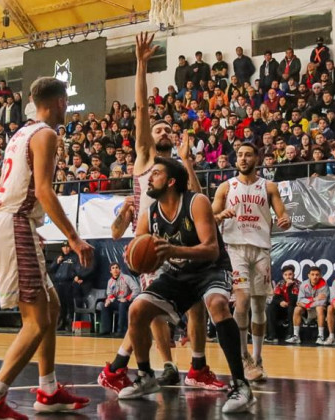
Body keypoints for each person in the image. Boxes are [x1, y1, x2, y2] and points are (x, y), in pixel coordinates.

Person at [103, 32, 223, 394]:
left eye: (168, 127)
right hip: (152, 241)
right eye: (158, 128)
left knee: (198, 302)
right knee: (150, 309)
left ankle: (195, 366)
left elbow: (199, 202)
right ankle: (164, 364)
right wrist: (141, 64)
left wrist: (187, 162)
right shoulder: (145, 158)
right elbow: (141, 109)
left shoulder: (177, 172)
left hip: (181, 236)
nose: (163, 130)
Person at [0, 76, 94, 420]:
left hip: (12, 222)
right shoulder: (47, 134)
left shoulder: (21, 133)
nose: (66, 109)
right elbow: (43, 190)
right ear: (59, 103)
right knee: (36, 321)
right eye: (66, 104)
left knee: (51, 306)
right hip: (14, 223)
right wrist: (72, 236)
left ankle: (49, 388)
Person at [116, 157, 253, 413]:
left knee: (218, 305)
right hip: (178, 272)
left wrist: (173, 250)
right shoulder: (149, 214)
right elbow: (139, 260)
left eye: (155, 173)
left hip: (210, 270)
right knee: (137, 309)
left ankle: (241, 385)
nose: (149, 178)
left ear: (170, 182)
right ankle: (145, 376)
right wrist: (133, 258)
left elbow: (212, 250)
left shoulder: (196, 202)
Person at [212, 143, 290, 382]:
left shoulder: (269, 186)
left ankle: (257, 358)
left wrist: (285, 220)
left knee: (258, 306)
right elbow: (211, 218)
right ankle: (243, 356)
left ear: (257, 158)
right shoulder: (226, 187)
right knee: (242, 300)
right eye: (240, 156)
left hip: (261, 250)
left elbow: (283, 216)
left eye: (248, 154)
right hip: (235, 248)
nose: (243, 159)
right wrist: (220, 215)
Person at [285, 266, 329, 345]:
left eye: (317, 275)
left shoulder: (324, 285)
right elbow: (299, 300)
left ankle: (321, 336)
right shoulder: (304, 284)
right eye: (312, 274)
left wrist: (308, 303)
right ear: (308, 275)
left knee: (319, 308)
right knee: (297, 309)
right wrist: (314, 299)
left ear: (320, 276)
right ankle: (296, 336)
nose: (315, 277)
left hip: (318, 310)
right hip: (306, 309)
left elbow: (323, 302)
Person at [99, 262, 140, 337]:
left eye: (117, 267)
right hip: (118, 301)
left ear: (120, 270)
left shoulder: (126, 278)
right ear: (110, 271)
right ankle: (105, 330)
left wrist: (127, 298)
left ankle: (121, 330)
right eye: (113, 268)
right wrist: (109, 300)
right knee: (105, 305)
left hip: (129, 301)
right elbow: (109, 294)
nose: (115, 270)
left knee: (122, 305)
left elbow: (136, 289)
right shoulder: (110, 281)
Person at [47, 241, 80, 331]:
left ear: (70, 248)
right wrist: (57, 262)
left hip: (68, 283)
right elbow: (51, 269)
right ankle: (61, 323)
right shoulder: (59, 257)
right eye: (64, 247)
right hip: (58, 283)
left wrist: (75, 276)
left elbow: (78, 269)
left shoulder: (74, 257)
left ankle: (70, 324)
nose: (65, 249)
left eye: (67, 247)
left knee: (69, 304)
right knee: (60, 304)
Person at [265, 265, 300, 342]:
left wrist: (288, 287)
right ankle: (272, 335)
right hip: (282, 307)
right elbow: (275, 297)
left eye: (290, 274)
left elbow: (294, 299)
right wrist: (280, 302)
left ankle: (290, 334)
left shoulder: (298, 284)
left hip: (292, 306)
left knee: (291, 308)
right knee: (271, 307)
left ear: (294, 275)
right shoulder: (280, 283)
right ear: (283, 276)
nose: (288, 277)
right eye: (286, 275)